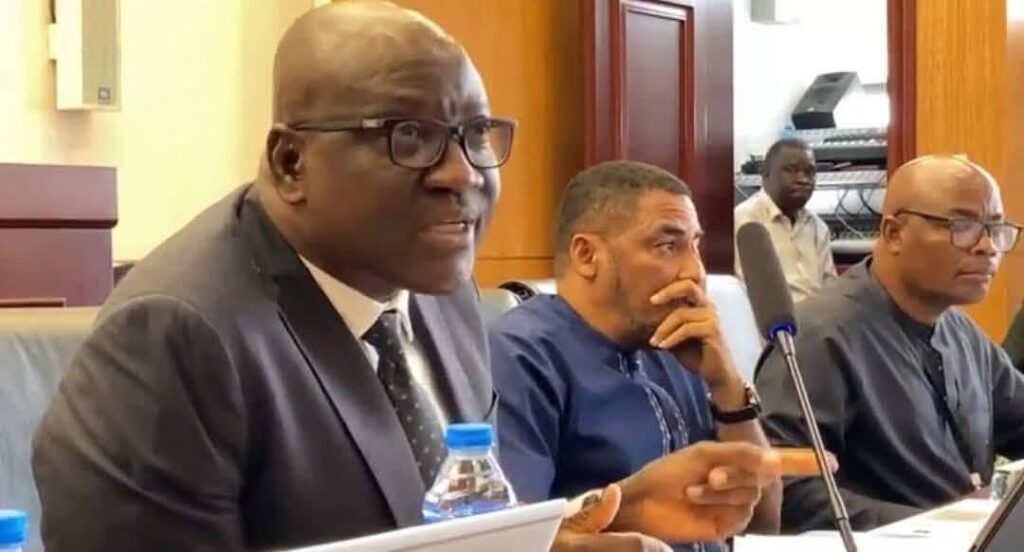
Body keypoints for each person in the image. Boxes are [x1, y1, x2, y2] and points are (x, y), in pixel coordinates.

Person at [31, 2, 779, 551]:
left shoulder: (440, 291)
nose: (461, 173)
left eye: (475, 134)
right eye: (409, 136)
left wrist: (606, 511)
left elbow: (446, 527)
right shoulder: (175, 338)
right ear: (291, 163)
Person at [490, 160, 782, 551]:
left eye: (695, 246)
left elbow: (764, 522)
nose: (694, 271)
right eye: (667, 246)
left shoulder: (678, 342)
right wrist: (631, 507)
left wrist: (726, 384)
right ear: (586, 255)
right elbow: (512, 540)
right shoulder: (522, 356)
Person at [756, 155, 1024, 532]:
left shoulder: (958, 329)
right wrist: (940, 528)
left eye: (995, 228)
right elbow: (786, 491)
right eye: (962, 226)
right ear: (894, 233)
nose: (987, 246)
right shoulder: (819, 336)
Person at [734, 138, 836, 302]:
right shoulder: (746, 220)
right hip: (770, 316)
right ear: (766, 174)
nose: (803, 179)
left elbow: (831, 288)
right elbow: (745, 291)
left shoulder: (818, 227)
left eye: (810, 172)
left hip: (818, 315)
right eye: (791, 170)